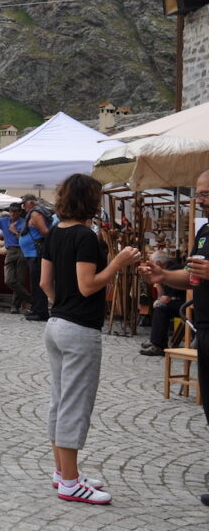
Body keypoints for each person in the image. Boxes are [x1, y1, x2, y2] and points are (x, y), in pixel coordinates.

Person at [42, 173, 141, 505]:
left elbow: (45, 283)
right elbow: (88, 285)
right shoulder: (85, 236)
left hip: (56, 324)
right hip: (80, 328)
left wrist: (61, 305)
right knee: (74, 405)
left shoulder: (55, 232)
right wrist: (118, 261)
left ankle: (63, 472)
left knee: (60, 400)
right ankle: (70, 481)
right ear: (89, 200)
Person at [139, 169, 209, 508]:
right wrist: (165, 274)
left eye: (206, 193)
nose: (201, 199)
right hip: (205, 329)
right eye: (199, 193)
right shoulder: (205, 231)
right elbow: (192, 277)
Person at [139, 251, 185, 356]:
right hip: (184, 303)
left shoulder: (173, 270)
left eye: (151, 262)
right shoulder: (168, 269)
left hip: (189, 305)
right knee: (161, 306)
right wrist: (158, 283)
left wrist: (158, 302)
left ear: (158, 264)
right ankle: (156, 341)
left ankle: (157, 345)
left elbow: (165, 298)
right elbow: (162, 295)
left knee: (161, 307)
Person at [21, 193, 54, 321]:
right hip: (32, 253)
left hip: (36, 253)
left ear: (31, 203)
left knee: (38, 284)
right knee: (34, 283)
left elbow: (45, 231)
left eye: (24, 204)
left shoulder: (35, 213)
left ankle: (41, 312)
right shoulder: (34, 212)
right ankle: (36, 309)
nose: (23, 207)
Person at [0, 202, 29, 314]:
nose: (12, 214)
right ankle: (31, 299)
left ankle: (15, 306)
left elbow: (25, 240)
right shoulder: (4, 221)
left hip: (22, 251)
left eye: (14, 212)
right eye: (11, 211)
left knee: (20, 280)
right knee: (9, 280)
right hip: (10, 251)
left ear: (19, 212)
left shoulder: (24, 223)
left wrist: (15, 232)